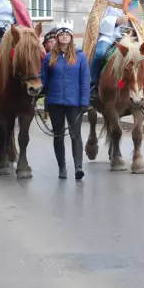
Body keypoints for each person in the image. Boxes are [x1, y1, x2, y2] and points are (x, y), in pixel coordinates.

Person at [82, 0, 144, 101]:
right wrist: (116, 21)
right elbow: (95, 20)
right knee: (99, 53)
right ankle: (93, 83)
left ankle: (143, 84)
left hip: (126, 35)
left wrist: (131, 24)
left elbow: (138, 22)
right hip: (108, 34)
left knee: (143, 55)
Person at [41, 19, 90, 180]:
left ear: (71, 37)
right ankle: (62, 167)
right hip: (55, 102)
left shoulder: (81, 56)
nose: (64, 37)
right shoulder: (49, 58)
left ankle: (78, 167)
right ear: (57, 38)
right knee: (58, 135)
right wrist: (40, 97)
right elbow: (44, 81)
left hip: (74, 102)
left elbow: (84, 81)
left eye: (66, 34)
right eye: (61, 34)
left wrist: (84, 102)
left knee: (75, 134)